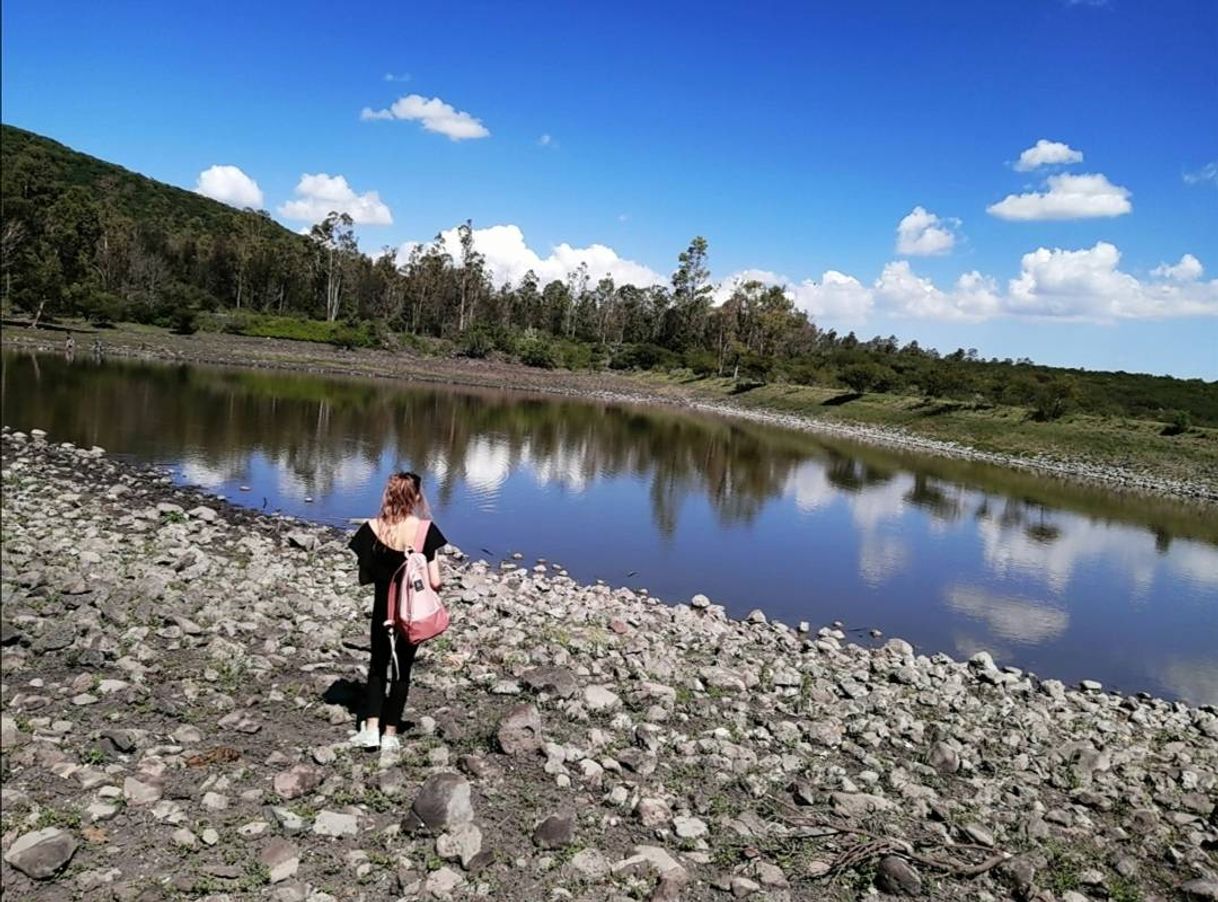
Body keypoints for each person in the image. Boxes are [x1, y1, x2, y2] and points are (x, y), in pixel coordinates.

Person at [346, 471, 447, 753]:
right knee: (403, 670)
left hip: (383, 610)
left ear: (389, 495)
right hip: (410, 614)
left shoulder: (371, 529)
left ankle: (370, 730)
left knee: (378, 666)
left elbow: (365, 574)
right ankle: (391, 733)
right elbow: (436, 582)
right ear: (416, 497)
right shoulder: (426, 532)